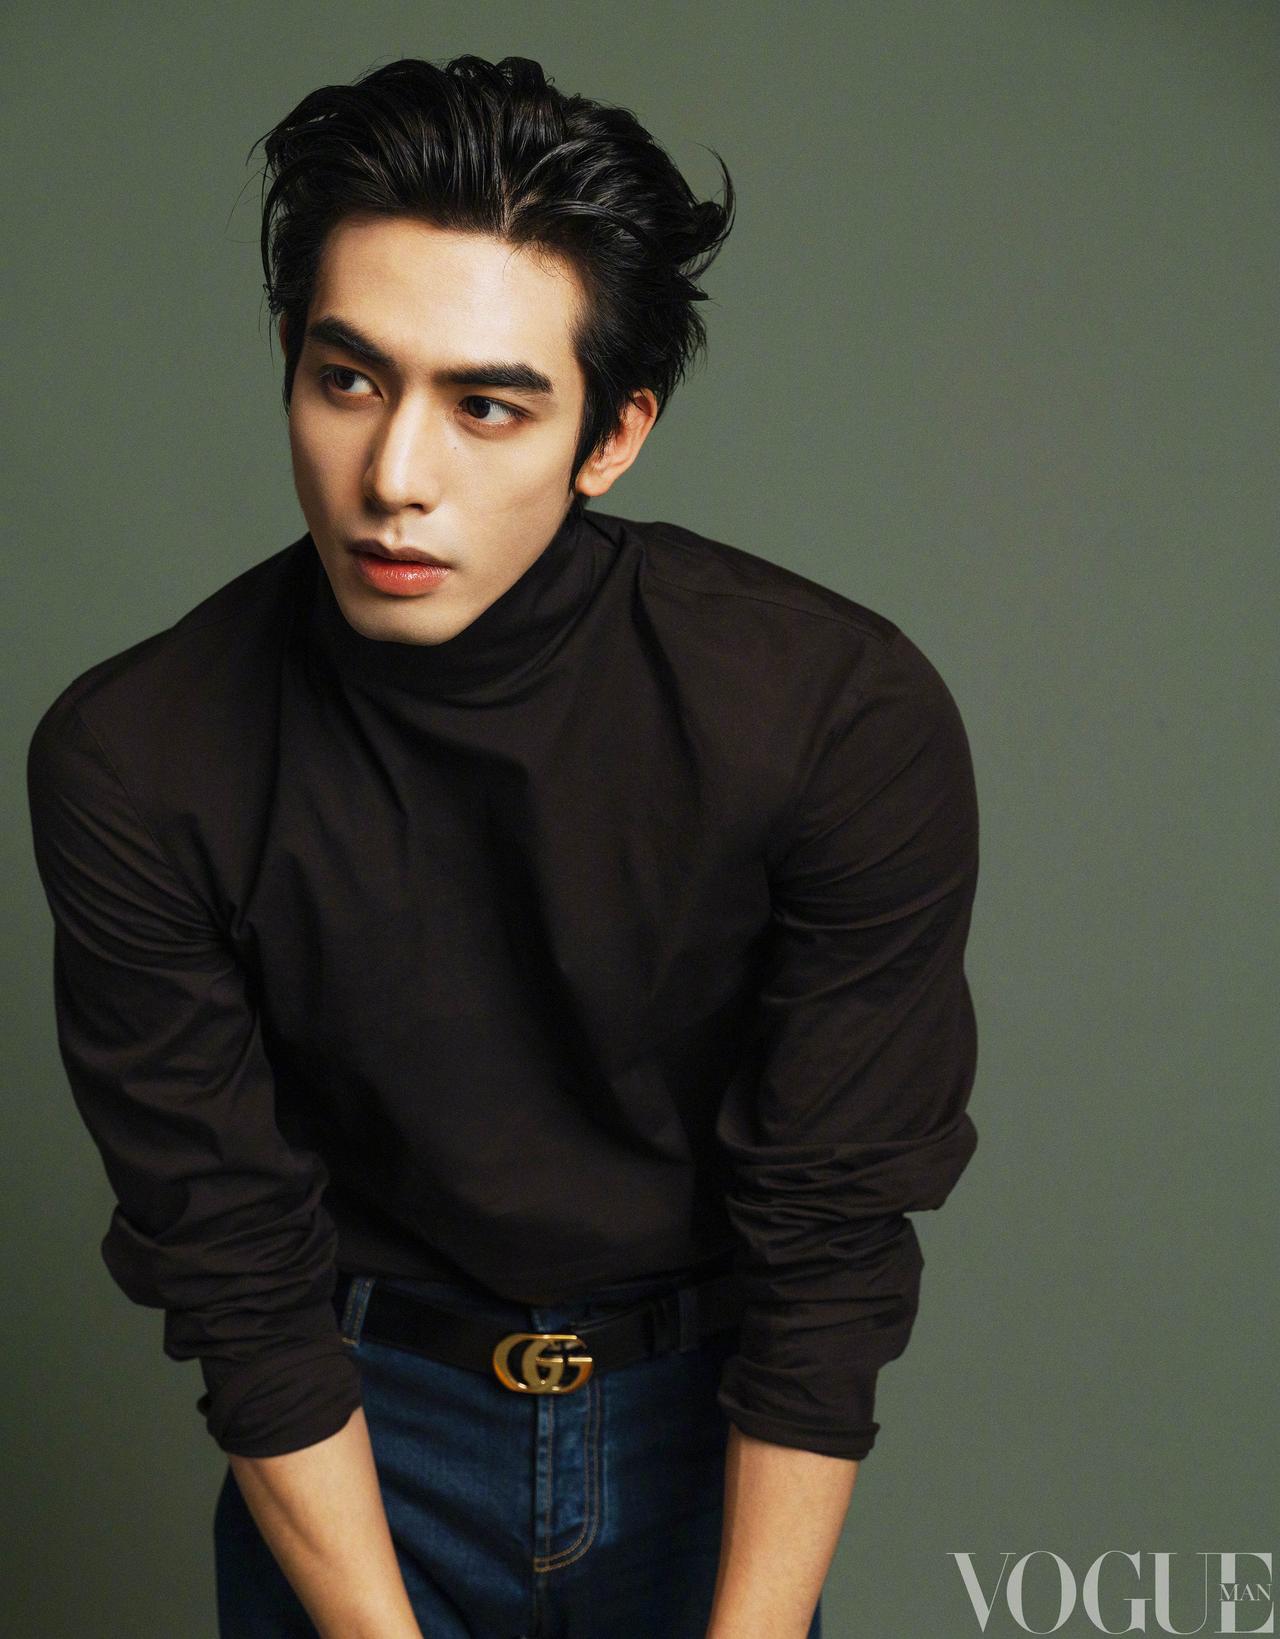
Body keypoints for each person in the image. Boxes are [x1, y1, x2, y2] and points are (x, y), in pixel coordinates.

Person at [25, 53, 980, 1639]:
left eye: (486, 406)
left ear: (613, 434)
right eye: (348, 380)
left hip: (710, 1432)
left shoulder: (832, 714)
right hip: (352, 1442)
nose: (395, 478)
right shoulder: (139, 756)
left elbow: (830, 1238)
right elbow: (235, 1268)